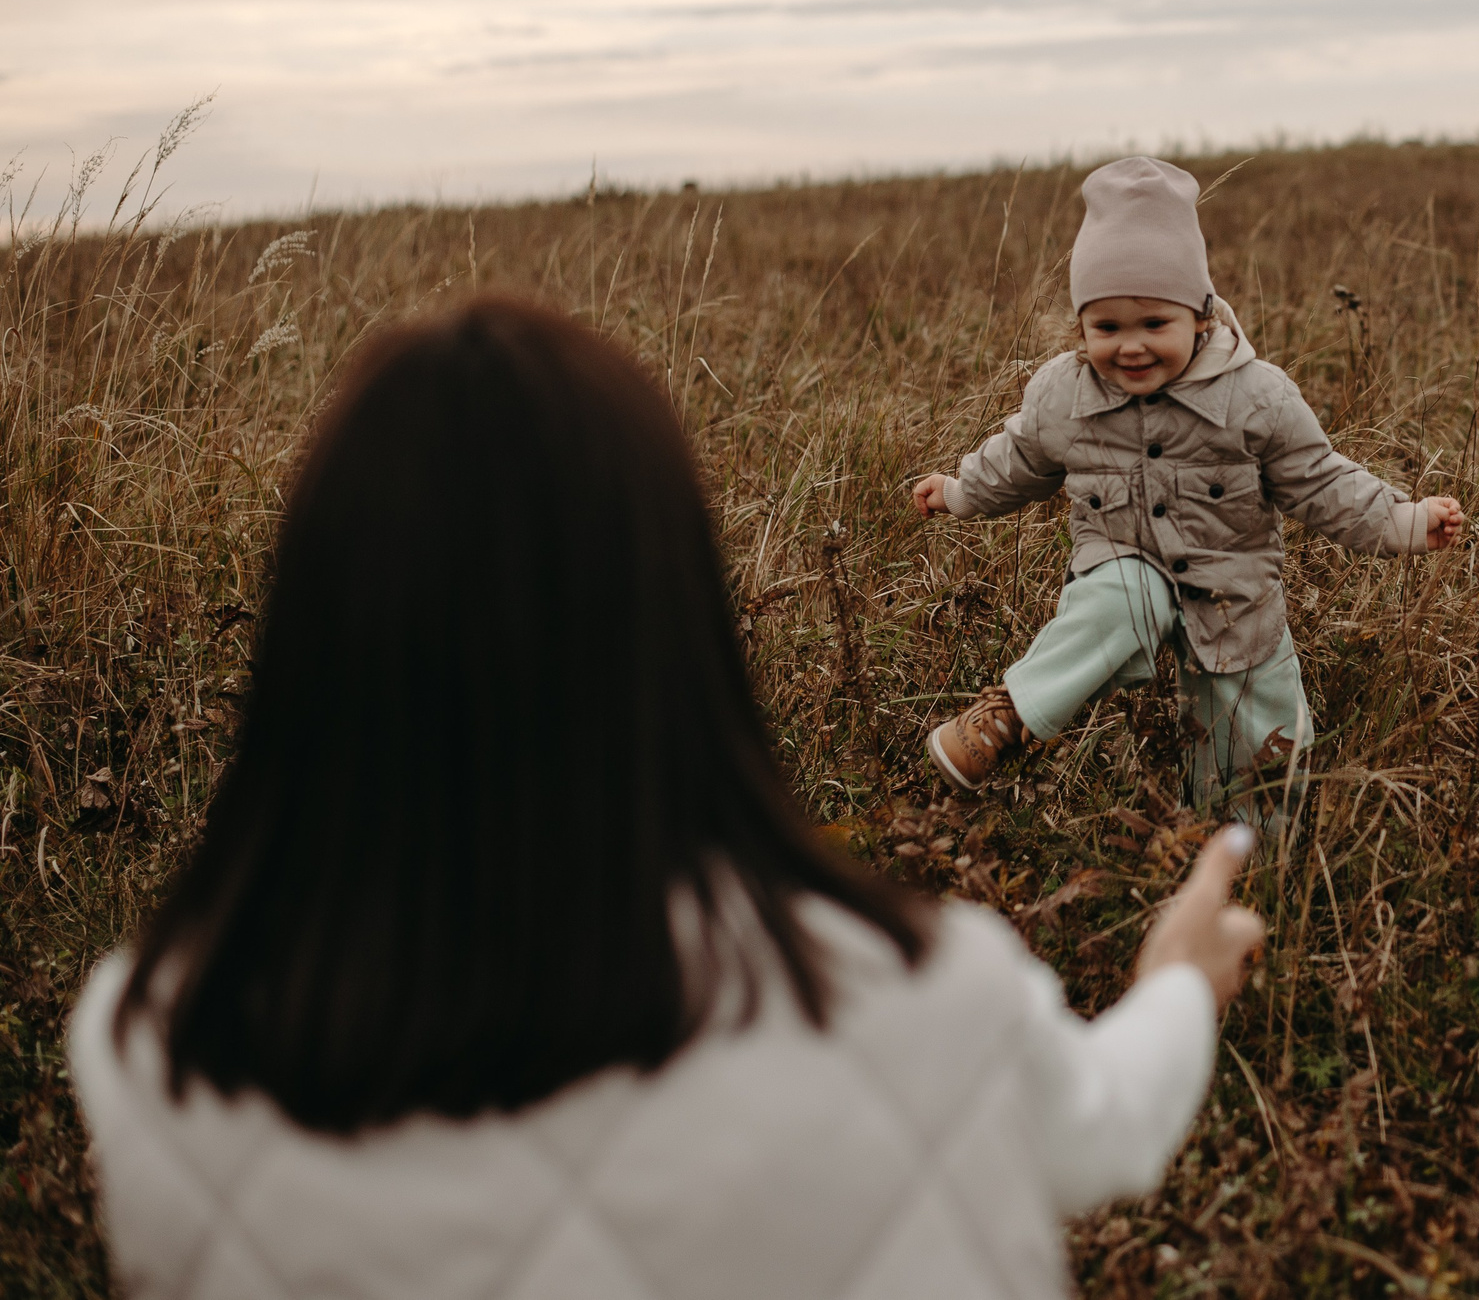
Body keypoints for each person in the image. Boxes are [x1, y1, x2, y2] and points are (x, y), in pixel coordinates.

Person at [68, 297, 1265, 1300]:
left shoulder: (151, 1046)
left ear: (311, 639)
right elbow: (1105, 1124)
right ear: (676, 614)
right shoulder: (923, 994)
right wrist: (1178, 980)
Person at [912, 156, 1465, 814]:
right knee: (1125, 592)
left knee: (1260, 758)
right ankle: (1010, 714)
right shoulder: (1064, 396)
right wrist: (958, 492)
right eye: (1107, 327)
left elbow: (1321, 481)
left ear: (1201, 316)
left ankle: (1243, 854)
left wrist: (1405, 521)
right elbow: (1018, 460)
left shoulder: (1256, 397)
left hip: (1234, 598)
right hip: (1122, 577)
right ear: (1081, 326)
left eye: (1154, 324)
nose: (1131, 346)